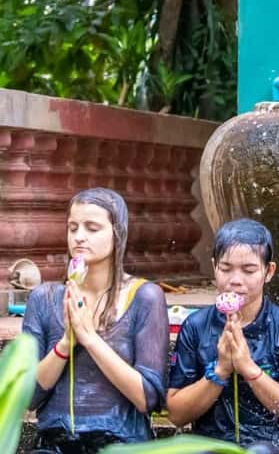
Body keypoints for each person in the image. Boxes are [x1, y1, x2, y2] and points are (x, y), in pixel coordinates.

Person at [22, 188, 170, 452]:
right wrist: (65, 345)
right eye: (73, 227)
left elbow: (148, 397)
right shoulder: (43, 299)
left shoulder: (145, 297)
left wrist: (89, 338)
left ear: (117, 233)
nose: (79, 237)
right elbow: (27, 397)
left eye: (92, 228)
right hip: (55, 442)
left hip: (120, 443)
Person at [167, 219, 279, 451]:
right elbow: (176, 414)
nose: (235, 280)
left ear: (269, 271)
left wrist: (249, 368)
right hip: (210, 440)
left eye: (249, 270)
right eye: (225, 269)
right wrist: (220, 371)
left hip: (270, 442)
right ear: (214, 266)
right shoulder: (196, 326)